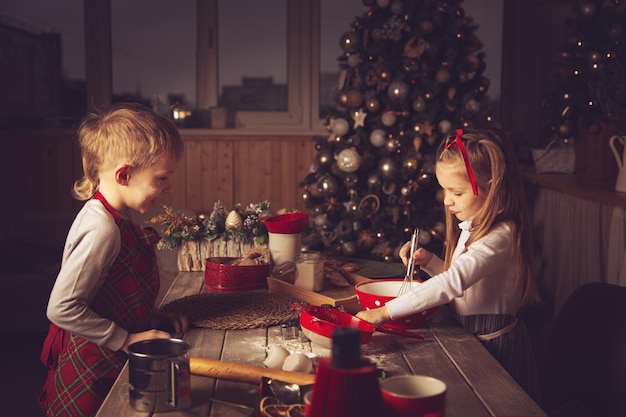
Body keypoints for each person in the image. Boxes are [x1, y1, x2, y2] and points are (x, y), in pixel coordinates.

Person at [356, 128, 541, 402]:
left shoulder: (502, 236)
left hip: (495, 345)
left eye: (456, 191)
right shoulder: (475, 223)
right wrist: (430, 262)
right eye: (444, 190)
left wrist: (383, 313)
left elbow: (454, 284)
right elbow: (465, 283)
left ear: (491, 187)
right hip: (472, 337)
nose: (447, 200)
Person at [39, 102, 189, 417]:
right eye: (161, 178)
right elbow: (61, 308)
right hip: (92, 370)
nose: (169, 187)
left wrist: (148, 318)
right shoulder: (101, 229)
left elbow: (115, 291)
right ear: (124, 174)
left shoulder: (119, 215)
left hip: (112, 359)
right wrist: (127, 338)